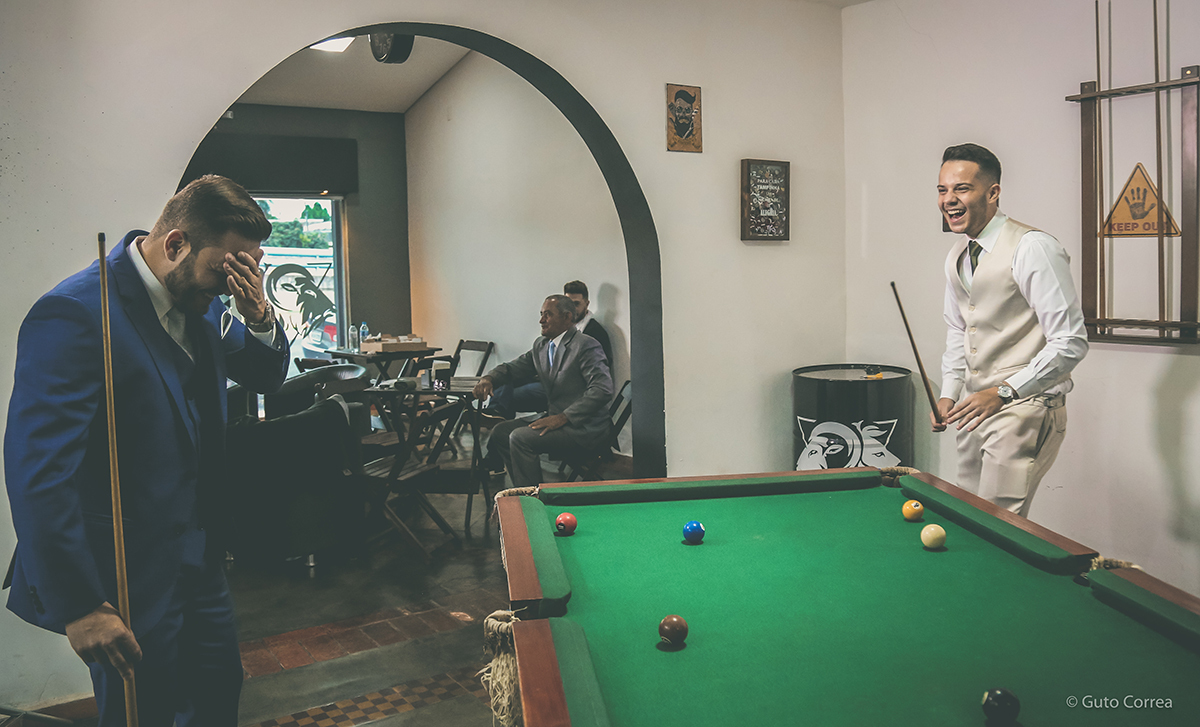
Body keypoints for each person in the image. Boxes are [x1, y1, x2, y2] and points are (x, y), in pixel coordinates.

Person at [4, 175, 289, 726]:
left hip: (200, 563)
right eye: (224, 269)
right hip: (124, 577)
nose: (229, 285)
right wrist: (80, 605)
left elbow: (266, 376)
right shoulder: (75, 313)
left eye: (246, 268)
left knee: (217, 698)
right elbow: (38, 471)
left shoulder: (205, 301)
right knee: (143, 715)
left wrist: (258, 316)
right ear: (176, 244)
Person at [932, 143, 1088, 517]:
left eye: (961, 189)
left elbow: (1070, 342)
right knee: (967, 517)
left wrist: (1003, 392)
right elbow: (958, 329)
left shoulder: (1033, 247)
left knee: (998, 524)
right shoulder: (957, 255)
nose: (949, 200)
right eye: (942, 190)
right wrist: (949, 392)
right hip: (974, 408)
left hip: (1025, 407)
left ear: (993, 192)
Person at [474, 295, 613, 488]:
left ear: (567, 317)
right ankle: (524, 490)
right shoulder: (542, 345)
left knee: (520, 438)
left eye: (548, 315)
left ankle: (534, 497)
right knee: (501, 432)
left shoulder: (586, 345)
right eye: (541, 314)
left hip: (584, 428)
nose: (541, 320)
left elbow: (602, 389)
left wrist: (564, 417)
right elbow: (513, 368)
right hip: (557, 418)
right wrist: (489, 378)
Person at [563, 279, 614, 369]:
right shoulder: (561, 328)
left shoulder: (597, 333)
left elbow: (601, 370)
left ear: (587, 304)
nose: (571, 309)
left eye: (576, 304)